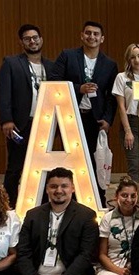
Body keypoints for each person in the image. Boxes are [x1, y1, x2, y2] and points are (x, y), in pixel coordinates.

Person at [48, 21, 118, 198]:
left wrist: (108, 120)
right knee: (72, 160)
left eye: (96, 34)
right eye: (88, 33)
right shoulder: (68, 55)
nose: (91, 37)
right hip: (71, 116)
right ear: (82, 35)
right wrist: (79, 88)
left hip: (97, 120)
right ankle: (73, 197)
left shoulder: (109, 64)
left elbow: (112, 96)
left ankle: (98, 199)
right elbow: (54, 80)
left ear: (102, 38)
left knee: (97, 160)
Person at [0, 24, 55, 207]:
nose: (32, 41)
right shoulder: (11, 63)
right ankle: (8, 205)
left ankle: (44, 204)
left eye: (35, 37)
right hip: (21, 124)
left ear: (41, 39)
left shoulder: (52, 66)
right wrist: (6, 120)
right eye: (28, 38)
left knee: (45, 166)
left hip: (46, 124)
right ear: (21, 42)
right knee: (16, 166)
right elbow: (3, 93)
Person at [113, 44, 139, 183]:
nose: (137, 60)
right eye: (133, 57)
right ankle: (135, 201)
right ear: (128, 60)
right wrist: (128, 131)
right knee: (135, 165)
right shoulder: (122, 78)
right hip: (131, 123)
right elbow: (121, 106)